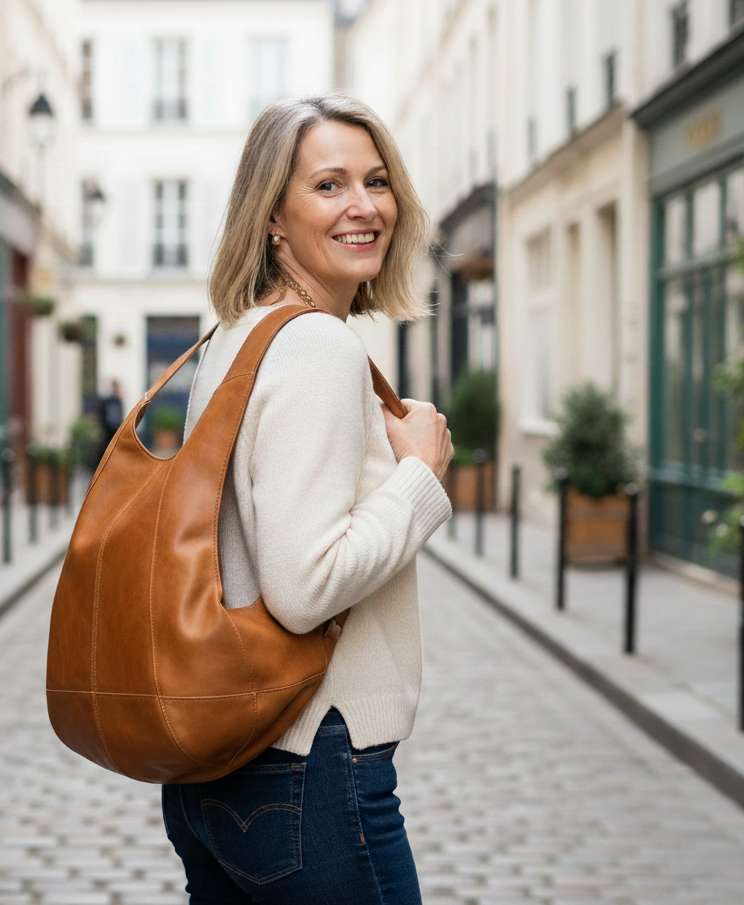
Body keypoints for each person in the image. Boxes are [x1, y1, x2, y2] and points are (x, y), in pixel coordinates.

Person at [162, 94, 454, 905]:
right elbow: (303, 586)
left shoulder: (235, 337)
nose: (364, 206)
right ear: (273, 219)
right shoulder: (319, 345)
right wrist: (419, 478)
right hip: (311, 764)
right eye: (328, 186)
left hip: (215, 764)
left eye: (375, 179)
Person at [96, 380, 124, 459]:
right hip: (107, 428)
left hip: (115, 428)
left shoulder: (118, 401)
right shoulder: (107, 401)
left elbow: (119, 414)